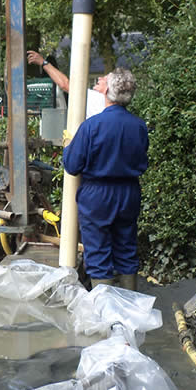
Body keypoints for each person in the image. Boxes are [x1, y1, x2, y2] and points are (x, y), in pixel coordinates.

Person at [60, 67, 149, 291]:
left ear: (107, 90)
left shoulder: (92, 126)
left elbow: (72, 165)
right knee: (127, 250)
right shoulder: (139, 126)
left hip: (98, 195)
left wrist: (68, 146)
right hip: (129, 193)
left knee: (98, 254)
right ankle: (130, 309)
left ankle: (105, 314)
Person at [26, 50, 106, 118]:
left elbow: (65, 84)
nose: (100, 78)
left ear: (108, 89)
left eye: (105, 79)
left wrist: (43, 62)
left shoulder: (99, 99)